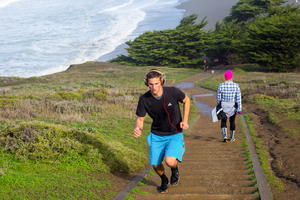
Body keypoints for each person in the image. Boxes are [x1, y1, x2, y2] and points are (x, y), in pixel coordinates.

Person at [133, 69, 190, 193]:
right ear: (147, 84)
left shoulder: (172, 92)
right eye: (151, 84)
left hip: (174, 133)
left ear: (162, 82)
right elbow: (140, 119)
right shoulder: (144, 99)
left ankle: (174, 170)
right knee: (155, 164)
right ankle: (164, 179)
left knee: (170, 161)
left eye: (156, 84)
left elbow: (186, 100)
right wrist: (138, 128)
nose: (154, 87)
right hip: (157, 135)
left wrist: (184, 120)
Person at [217, 70, 242, 142]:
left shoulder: (220, 85)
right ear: (231, 77)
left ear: (225, 77)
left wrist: (218, 106)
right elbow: (238, 98)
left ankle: (224, 137)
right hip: (232, 106)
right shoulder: (236, 86)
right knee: (232, 121)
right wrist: (239, 109)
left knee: (223, 121)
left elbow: (218, 98)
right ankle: (232, 137)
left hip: (223, 105)